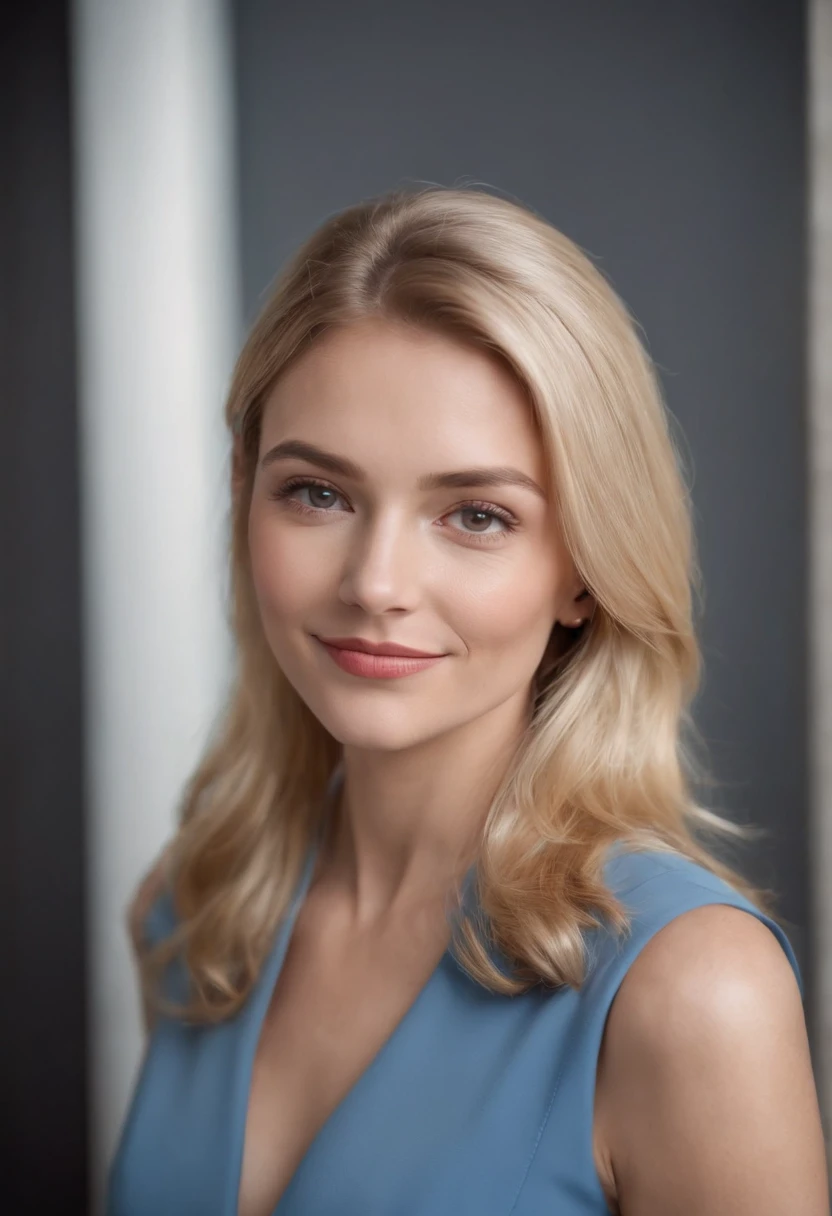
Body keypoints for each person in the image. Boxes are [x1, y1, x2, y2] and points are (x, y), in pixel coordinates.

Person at [106, 186, 829, 1216]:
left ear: (583, 565)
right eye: (318, 492)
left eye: (476, 515)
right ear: (243, 490)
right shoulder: (199, 911)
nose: (375, 582)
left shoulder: (690, 991)